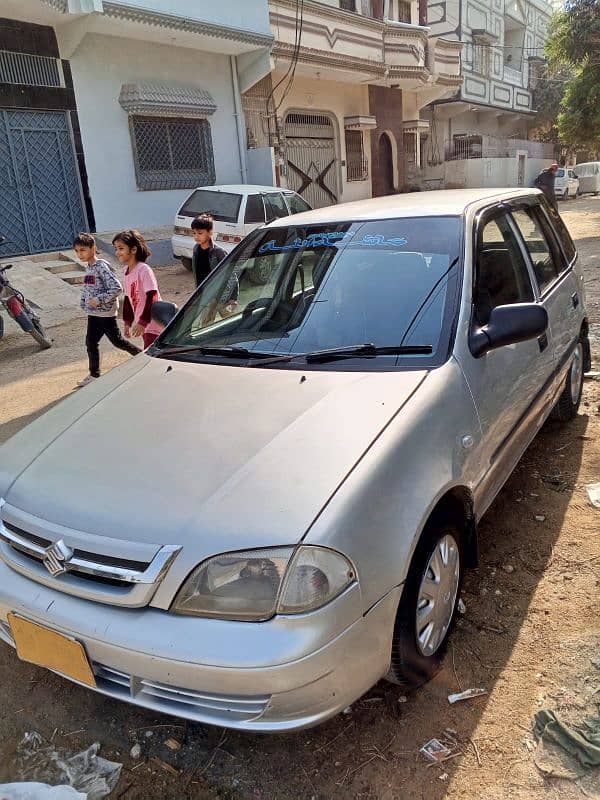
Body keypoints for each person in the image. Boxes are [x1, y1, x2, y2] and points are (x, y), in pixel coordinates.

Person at [74, 232, 141, 387]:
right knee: (91, 342)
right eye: (77, 251)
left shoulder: (101, 267)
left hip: (105, 314)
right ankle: (94, 374)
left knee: (117, 341)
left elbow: (116, 288)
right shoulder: (89, 268)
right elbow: (87, 287)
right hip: (93, 313)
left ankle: (141, 356)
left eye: (83, 250)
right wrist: (84, 302)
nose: (79, 254)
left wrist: (98, 300)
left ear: (93, 248)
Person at [112, 229, 163, 348]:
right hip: (145, 325)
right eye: (116, 249)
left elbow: (153, 296)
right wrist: (127, 322)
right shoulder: (126, 272)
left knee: (152, 358)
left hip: (153, 323)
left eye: (121, 248)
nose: (117, 252)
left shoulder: (144, 270)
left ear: (133, 249)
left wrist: (143, 322)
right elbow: (128, 298)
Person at [191, 214, 227, 288]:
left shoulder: (218, 252)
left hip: (215, 294)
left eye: (200, 233)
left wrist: (232, 298)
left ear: (210, 232)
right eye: (194, 233)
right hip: (200, 293)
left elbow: (230, 274)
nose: (196, 236)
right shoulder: (195, 249)